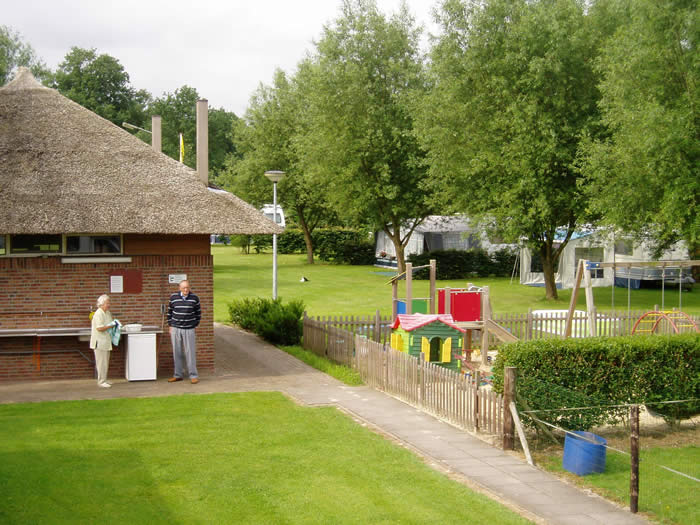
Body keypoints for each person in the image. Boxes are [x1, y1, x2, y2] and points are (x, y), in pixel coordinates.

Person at [167, 279, 201, 384]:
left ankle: (193, 376)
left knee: (190, 353)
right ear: (179, 288)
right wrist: (170, 325)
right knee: (177, 352)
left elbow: (198, 313)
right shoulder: (173, 297)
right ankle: (178, 375)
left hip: (189, 329)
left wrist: (194, 325)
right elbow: (170, 312)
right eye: (183, 288)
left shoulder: (194, 298)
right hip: (176, 329)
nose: (186, 290)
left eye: (187, 287)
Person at [90, 294, 116, 388]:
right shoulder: (98, 314)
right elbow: (100, 328)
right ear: (101, 304)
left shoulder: (107, 312)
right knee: (101, 362)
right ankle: (101, 381)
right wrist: (111, 326)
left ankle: (104, 379)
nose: (109, 304)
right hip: (99, 342)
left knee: (105, 361)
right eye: (107, 302)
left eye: (109, 302)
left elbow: (110, 323)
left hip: (106, 341)